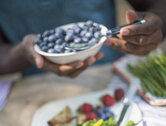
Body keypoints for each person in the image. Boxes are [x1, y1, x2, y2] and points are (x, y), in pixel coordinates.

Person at [0, 0, 165, 78]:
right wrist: (22, 51)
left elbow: (157, 4)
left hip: (113, 75)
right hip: (37, 88)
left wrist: (156, 24)